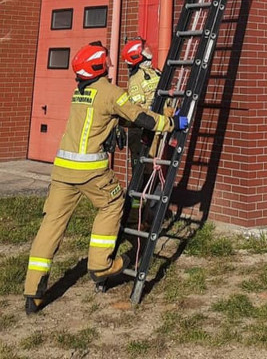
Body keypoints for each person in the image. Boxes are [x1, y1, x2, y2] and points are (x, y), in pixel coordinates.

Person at [24, 41, 188, 315]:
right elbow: (140, 117)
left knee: (51, 224)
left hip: (62, 170)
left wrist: (146, 117)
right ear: (100, 65)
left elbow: (116, 117)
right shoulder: (112, 92)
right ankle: (101, 266)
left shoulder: (80, 92)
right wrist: (170, 123)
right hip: (90, 171)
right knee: (113, 204)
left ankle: (33, 292)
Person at [121, 37, 162, 167]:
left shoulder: (155, 72)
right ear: (136, 55)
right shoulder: (136, 79)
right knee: (143, 169)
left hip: (157, 126)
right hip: (143, 130)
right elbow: (137, 109)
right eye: (144, 48)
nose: (148, 49)